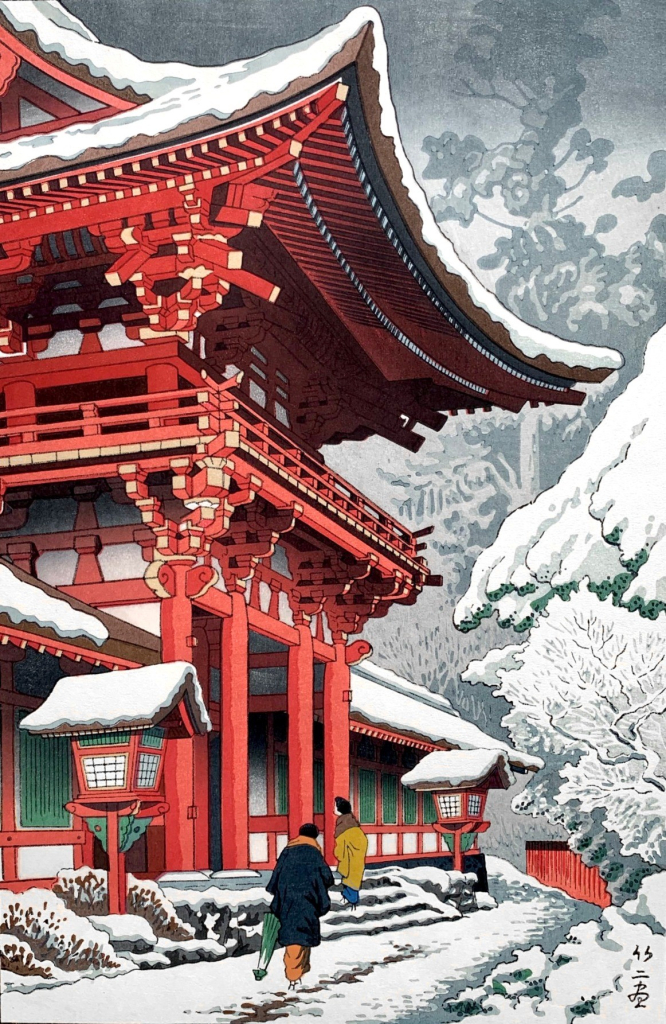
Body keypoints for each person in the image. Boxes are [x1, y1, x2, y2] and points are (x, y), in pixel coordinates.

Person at [265, 822, 334, 988]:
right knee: (302, 936)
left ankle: (296, 973)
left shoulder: (288, 850)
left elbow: (276, 875)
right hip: (308, 898)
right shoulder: (314, 852)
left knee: (293, 936)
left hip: (287, 897)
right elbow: (327, 877)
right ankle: (294, 975)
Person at [333, 796, 368, 909]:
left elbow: (339, 851)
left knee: (349, 881)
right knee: (354, 880)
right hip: (358, 861)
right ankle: (352, 899)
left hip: (348, 862)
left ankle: (350, 899)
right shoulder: (357, 828)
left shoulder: (343, 829)